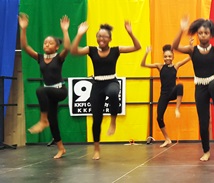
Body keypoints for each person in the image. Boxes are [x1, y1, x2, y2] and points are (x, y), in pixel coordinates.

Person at [71, 21, 141, 160]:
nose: (101, 39)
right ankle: (96, 148)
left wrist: (130, 33)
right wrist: (79, 34)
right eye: (99, 36)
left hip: (111, 81)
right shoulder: (91, 50)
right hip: (97, 84)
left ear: (110, 39)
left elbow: (137, 47)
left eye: (105, 37)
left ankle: (113, 120)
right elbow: (74, 51)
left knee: (113, 92)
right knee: (96, 119)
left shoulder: (116, 50)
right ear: (96, 38)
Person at [172, 16, 214, 161]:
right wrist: (181, 31)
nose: (203, 35)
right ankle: (206, 151)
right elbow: (174, 47)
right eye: (200, 33)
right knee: (203, 121)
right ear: (197, 34)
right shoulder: (192, 50)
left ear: (210, 34)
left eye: (206, 33)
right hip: (200, 86)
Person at [19, 13, 70, 158]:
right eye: (45, 43)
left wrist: (65, 31)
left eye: (50, 43)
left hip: (60, 90)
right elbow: (25, 46)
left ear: (56, 47)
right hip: (49, 93)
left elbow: (67, 47)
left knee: (40, 89)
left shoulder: (59, 57)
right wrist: (23, 29)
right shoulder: (40, 57)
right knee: (53, 121)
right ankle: (61, 148)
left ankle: (43, 120)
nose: (46, 45)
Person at [140, 45, 190, 147]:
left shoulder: (176, 66)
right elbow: (143, 64)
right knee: (159, 118)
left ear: (173, 57)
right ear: (163, 57)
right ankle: (167, 139)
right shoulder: (160, 66)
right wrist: (146, 53)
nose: (168, 58)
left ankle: (177, 108)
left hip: (173, 93)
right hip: (164, 95)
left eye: (169, 56)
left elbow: (190, 57)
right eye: (166, 56)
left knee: (180, 86)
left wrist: (190, 46)